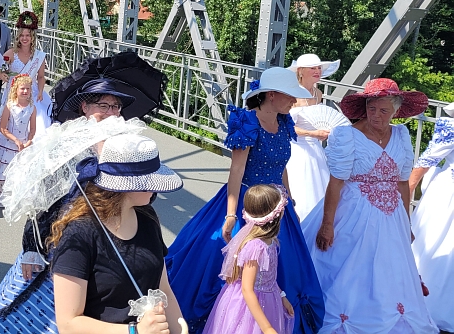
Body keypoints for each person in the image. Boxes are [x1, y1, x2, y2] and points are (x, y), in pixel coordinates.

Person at [0, 79, 137, 334]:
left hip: (101, 248)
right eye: (103, 105)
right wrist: (31, 248)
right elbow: (41, 197)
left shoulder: (124, 147)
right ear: (85, 108)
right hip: (59, 244)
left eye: (116, 106)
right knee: (31, 315)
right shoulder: (67, 145)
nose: (111, 112)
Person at [166, 67, 324, 334]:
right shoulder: (248, 123)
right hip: (247, 204)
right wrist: (230, 215)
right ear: (271, 95)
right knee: (227, 260)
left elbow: (282, 167)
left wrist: (291, 202)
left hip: (278, 206)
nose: (294, 101)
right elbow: (236, 172)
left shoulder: (284, 122)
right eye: (289, 95)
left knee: (283, 264)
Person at [301, 78, 436, 334]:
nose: (376, 115)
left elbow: (403, 184)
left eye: (384, 110)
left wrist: (406, 223)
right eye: (371, 108)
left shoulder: (401, 134)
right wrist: (327, 224)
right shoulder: (347, 135)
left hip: (391, 217)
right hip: (352, 213)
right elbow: (336, 182)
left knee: (390, 271)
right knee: (348, 271)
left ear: (396, 110)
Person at [50, 130, 186, 333]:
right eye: (150, 179)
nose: (155, 187)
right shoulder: (78, 234)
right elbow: (68, 323)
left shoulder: (147, 217)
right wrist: (135, 331)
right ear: (127, 183)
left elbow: (163, 288)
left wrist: (180, 329)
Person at [204, 185, 294, 334]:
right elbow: (247, 289)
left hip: (269, 299)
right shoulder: (256, 247)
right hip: (248, 307)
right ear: (276, 214)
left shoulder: (270, 242)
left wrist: (282, 295)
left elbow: (268, 277)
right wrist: (267, 328)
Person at [410, 101, 454, 332]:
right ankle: (425, 304)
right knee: (436, 246)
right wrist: (405, 194)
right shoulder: (451, 127)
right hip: (448, 197)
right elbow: (426, 161)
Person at [286, 54, 343, 220]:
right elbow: (286, 127)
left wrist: (322, 134)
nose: (317, 71)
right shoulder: (292, 94)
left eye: (319, 68)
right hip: (297, 148)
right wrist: (313, 133)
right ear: (301, 71)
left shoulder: (318, 93)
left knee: (320, 188)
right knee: (302, 188)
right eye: (313, 68)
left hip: (316, 148)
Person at [0, 11, 52, 134]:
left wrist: (41, 91)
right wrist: (1, 74)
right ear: (18, 37)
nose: (24, 38)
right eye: (22, 35)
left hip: (30, 91)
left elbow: (41, 77)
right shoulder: (11, 53)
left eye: (27, 35)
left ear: (32, 37)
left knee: (36, 119)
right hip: (13, 91)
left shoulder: (39, 56)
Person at [0, 74, 36, 204]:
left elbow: (33, 129)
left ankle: (12, 197)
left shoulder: (32, 108)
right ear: (15, 89)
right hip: (8, 144)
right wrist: (15, 140)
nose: (25, 91)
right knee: (4, 171)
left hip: (22, 146)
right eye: (22, 88)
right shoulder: (10, 106)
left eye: (28, 89)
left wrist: (29, 141)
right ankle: (0, 194)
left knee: (18, 173)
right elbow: (3, 128)